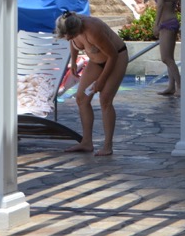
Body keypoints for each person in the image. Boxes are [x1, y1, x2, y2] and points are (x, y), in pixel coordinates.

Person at [55, 11, 129, 156]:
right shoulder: (71, 25)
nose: (67, 38)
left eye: (69, 35)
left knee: (105, 99)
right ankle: (87, 142)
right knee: (81, 99)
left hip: (116, 57)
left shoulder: (93, 29)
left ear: (76, 29)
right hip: (96, 61)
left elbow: (112, 55)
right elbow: (73, 42)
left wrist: (101, 81)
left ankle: (107, 146)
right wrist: (73, 61)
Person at [153, 0, 182, 96]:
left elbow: (160, 5)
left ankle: (180, 86)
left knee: (166, 58)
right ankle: (171, 86)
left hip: (165, 23)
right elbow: (181, 5)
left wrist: (156, 24)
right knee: (170, 57)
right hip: (174, 21)